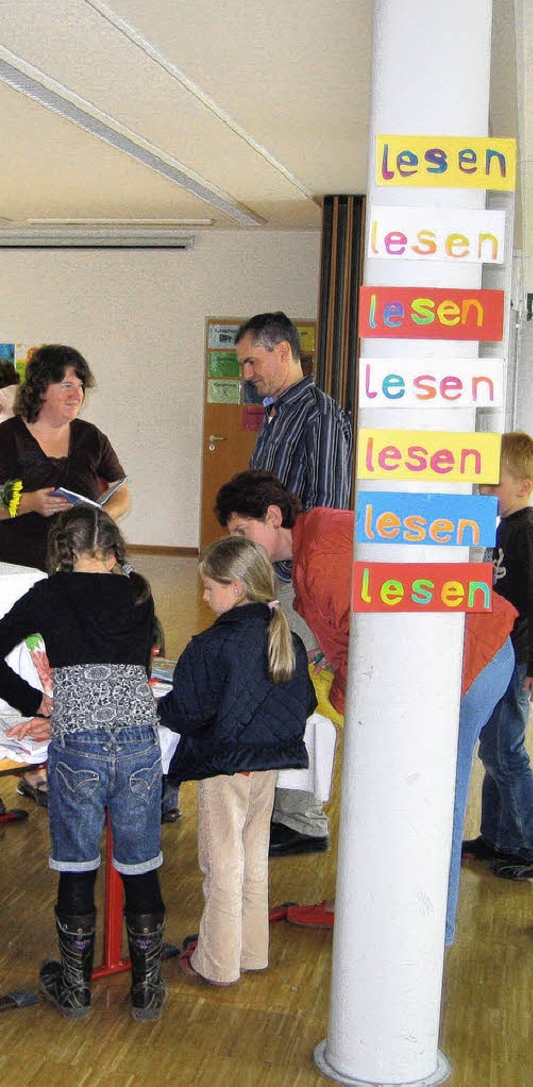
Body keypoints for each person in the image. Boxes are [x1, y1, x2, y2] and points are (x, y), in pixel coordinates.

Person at [214, 470, 518, 941]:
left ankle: (430, 928)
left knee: (436, 799)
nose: (240, 544)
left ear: (273, 517)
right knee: (415, 794)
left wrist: (344, 700)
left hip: (466, 658)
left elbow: (371, 645)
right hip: (462, 654)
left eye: (242, 531)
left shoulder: (319, 554)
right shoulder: (316, 538)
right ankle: (388, 908)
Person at [1, 506, 166, 1021]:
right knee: (140, 863)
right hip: (140, 741)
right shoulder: (139, 589)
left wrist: (35, 703)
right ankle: (146, 990)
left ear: (62, 552)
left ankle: (75, 991)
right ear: (114, 550)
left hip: (79, 745)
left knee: (76, 863)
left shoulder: (50, 593)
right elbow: (137, 667)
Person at [158, 537, 316, 986]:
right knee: (252, 856)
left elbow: (186, 712)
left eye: (210, 588)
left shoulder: (212, 645)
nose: (205, 598)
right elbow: (302, 703)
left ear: (237, 587)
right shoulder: (287, 637)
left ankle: (218, 961)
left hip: (224, 767)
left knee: (221, 863)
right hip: (267, 764)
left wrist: (161, 706)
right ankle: (251, 950)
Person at [235, 311, 352, 856]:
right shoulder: (278, 412)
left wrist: (290, 580)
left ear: (283, 351)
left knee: (302, 694)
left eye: (252, 361)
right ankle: (285, 809)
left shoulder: (321, 417)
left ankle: (304, 819)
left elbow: (328, 507)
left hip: (302, 583)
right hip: (276, 580)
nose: (247, 373)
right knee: (280, 690)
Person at [0, 344, 131, 809]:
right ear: (41, 387)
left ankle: (68, 750)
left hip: (80, 569)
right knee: (24, 661)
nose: (76, 393)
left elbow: (121, 493)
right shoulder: (8, 437)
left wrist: (104, 516)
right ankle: (31, 760)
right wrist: (28, 502)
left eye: (80, 385)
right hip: (19, 570)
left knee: (73, 658)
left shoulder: (91, 436)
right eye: (66, 384)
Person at [463, 432, 533, 880]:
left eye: (492, 484)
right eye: (480, 484)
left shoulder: (531, 535)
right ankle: (498, 836)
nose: (484, 493)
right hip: (500, 654)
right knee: (495, 750)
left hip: (519, 658)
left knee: (506, 752)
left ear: (522, 485)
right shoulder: (503, 527)